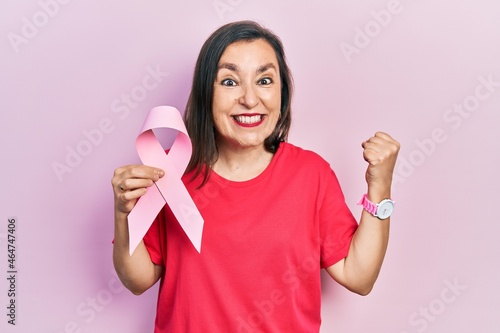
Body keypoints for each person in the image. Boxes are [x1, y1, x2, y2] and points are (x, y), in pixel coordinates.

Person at [111, 20, 400, 333]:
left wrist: (380, 186)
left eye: (264, 80)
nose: (250, 99)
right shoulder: (171, 177)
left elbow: (359, 276)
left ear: (282, 93)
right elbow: (137, 280)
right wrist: (124, 213)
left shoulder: (311, 174)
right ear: (206, 93)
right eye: (230, 82)